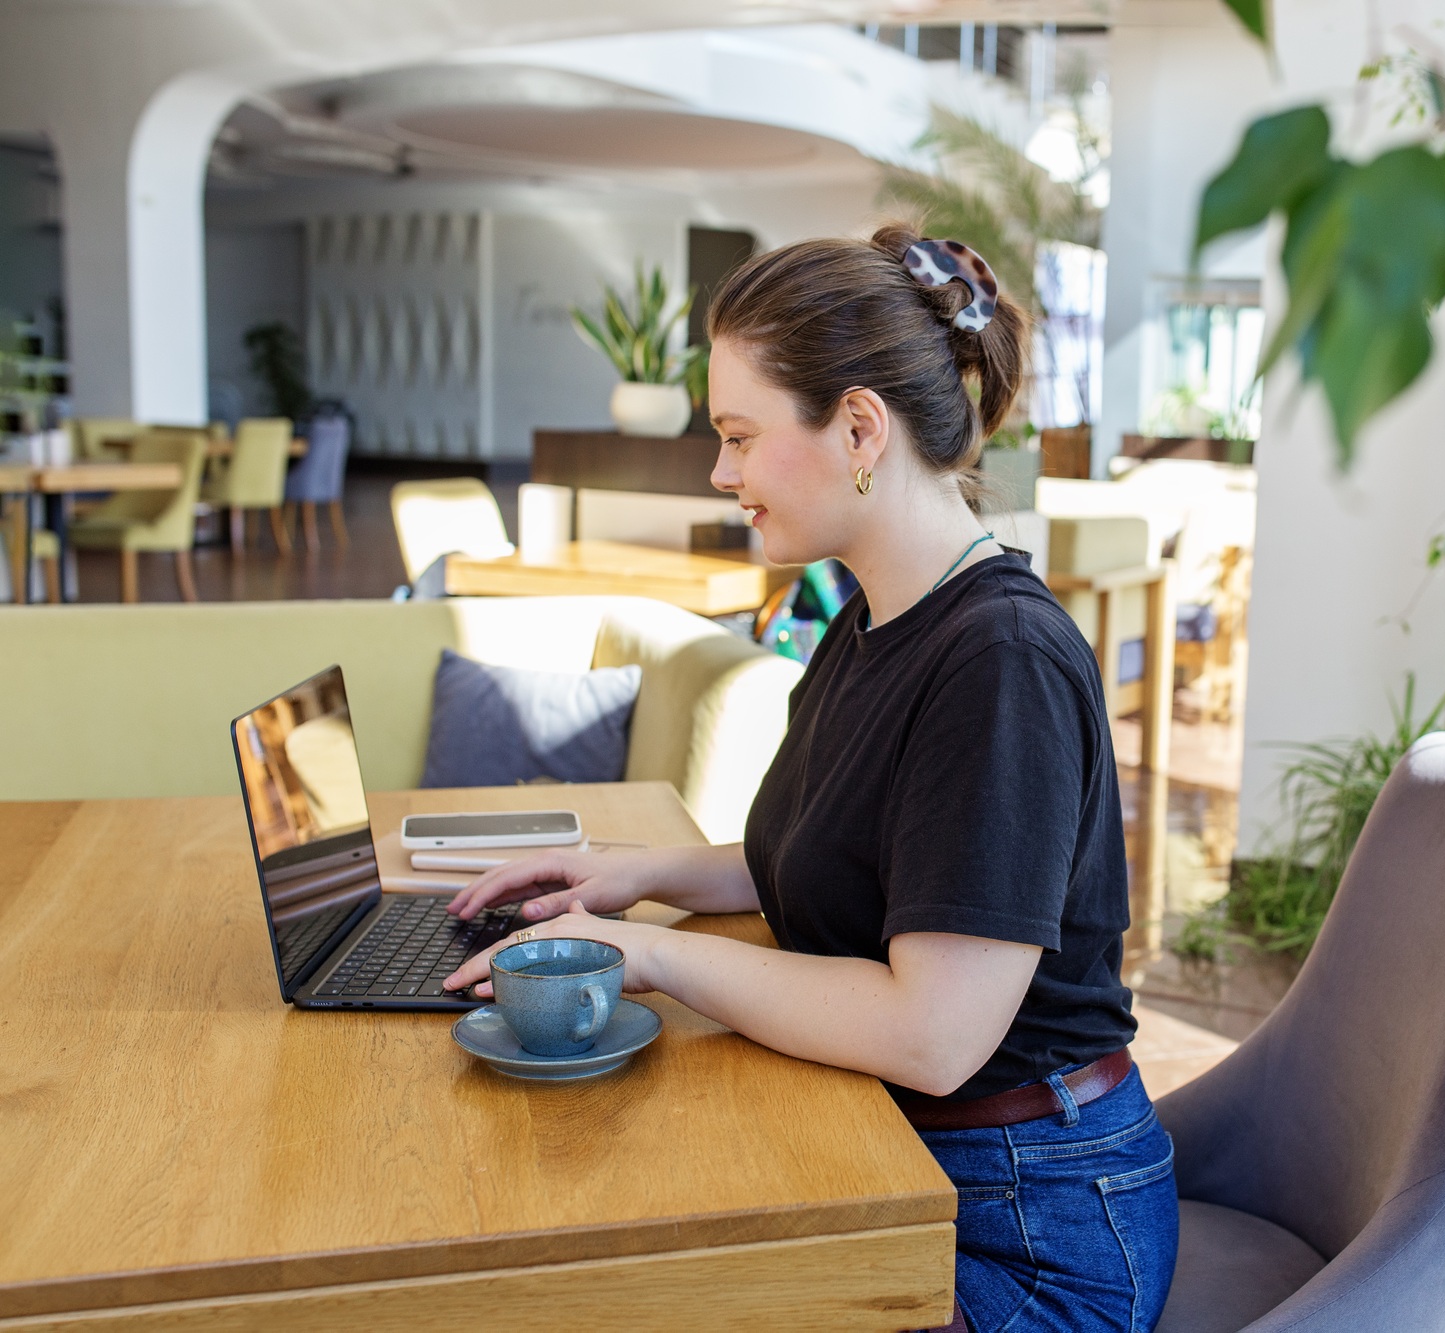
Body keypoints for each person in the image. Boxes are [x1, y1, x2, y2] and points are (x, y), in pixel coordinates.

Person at [443, 224, 1178, 1331]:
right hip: (926, 1161)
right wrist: (620, 876)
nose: (720, 472)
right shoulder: (872, 618)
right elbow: (827, 853)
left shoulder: (998, 663)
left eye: (739, 435)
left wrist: (650, 952)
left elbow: (932, 1032)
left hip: (1026, 1228)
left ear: (858, 428)